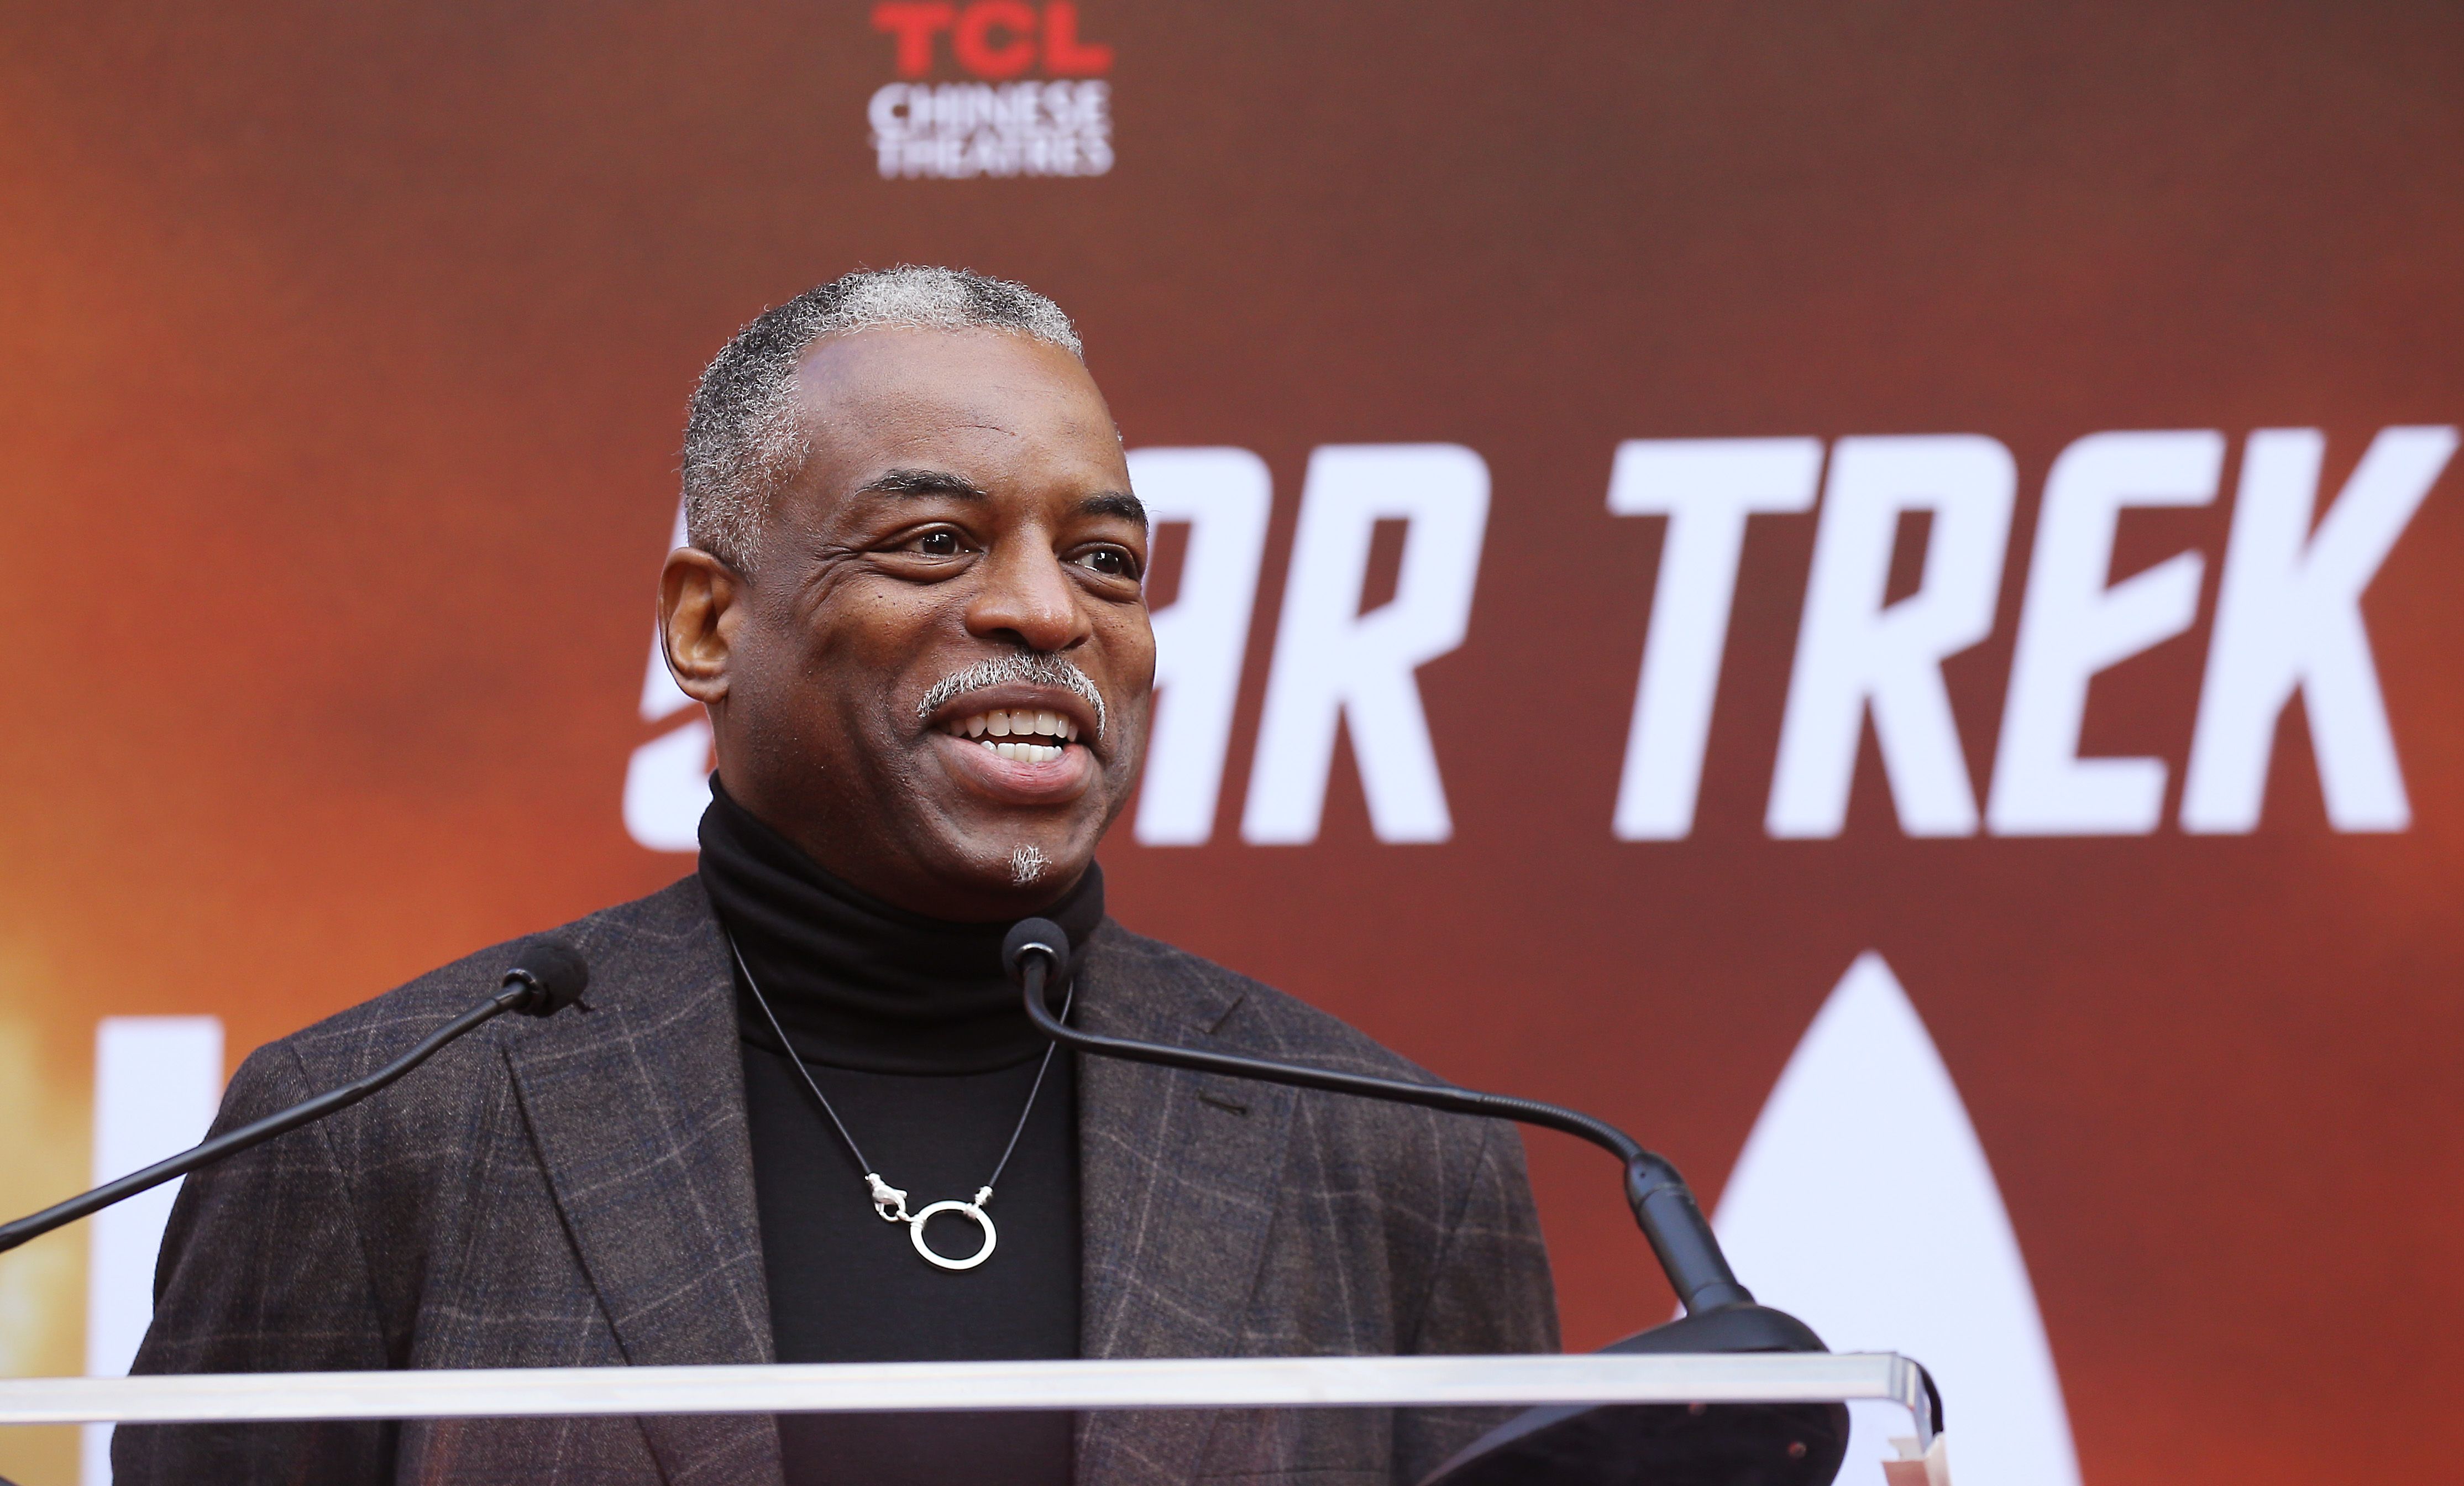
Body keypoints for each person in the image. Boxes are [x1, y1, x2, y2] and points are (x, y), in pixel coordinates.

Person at [119, 266, 1557, 1485]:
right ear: (707, 624)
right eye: (935, 543)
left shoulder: (1399, 1167)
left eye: (1106, 560)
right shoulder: (373, 1131)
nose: (1046, 610)